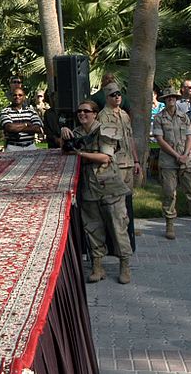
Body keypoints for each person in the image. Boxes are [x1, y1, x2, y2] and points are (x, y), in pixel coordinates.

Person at [61, 100, 133, 285]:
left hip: (109, 186)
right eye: (79, 111)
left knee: (118, 226)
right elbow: (65, 152)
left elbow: (105, 158)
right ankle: (97, 265)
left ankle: (124, 265)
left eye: (86, 111)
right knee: (92, 227)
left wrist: (81, 155)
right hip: (88, 187)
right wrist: (64, 136)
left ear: (95, 113)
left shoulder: (106, 129)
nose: (82, 114)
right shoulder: (76, 133)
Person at [152, 87, 191, 240]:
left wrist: (185, 154)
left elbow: (189, 136)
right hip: (168, 161)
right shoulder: (159, 118)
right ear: (164, 100)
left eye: (173, 97)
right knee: (169, 193)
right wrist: (176, 155)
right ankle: (170, 225)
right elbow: (160, 140)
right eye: (168, 98)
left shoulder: (184, 117)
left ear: (176, 99)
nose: (171, 99)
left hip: (186, 160)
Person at [97, 82, 140, 252]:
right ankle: (116, 244)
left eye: (119, 94)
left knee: (127, 203)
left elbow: (130, 139)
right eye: (113, 94)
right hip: (115, 166)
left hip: (128, 164)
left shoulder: (124, 115)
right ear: (107, 97)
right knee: (115, 206)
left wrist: (136, 161)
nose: (117, 97)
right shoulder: (103, 116)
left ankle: (127, 238)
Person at [0, 85, 43, 151]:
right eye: (15, 95)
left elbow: (38, 128)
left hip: (30, 146)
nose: (17, 97)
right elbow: (9, 128)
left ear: (24, 97)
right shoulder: (5, 112)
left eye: (20, 95)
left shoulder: (31, 111)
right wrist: (26, 125)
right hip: (13, 147)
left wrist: (16, 128)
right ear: (11, 97)